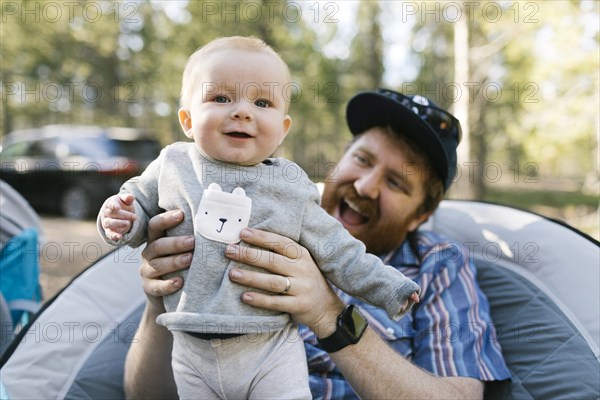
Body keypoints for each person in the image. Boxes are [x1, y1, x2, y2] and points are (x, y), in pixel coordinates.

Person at [124, 88, 511, 399]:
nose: (364, 186)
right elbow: (142, 395)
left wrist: (330, 316)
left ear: (419, 216)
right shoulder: (245, 217)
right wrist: (162, 298)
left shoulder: (438, 265)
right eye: (361, 159)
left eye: (396, 182)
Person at [98, 37, 420, 399]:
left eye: (262, 102)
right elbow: (136, 203)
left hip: (269, 348)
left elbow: (340, 250)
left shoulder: (291, 186)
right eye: (220, 98)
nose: (242, 111)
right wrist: (121, 219)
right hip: (191, 343)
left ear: (283, 129)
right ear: (187, 120)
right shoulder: (172, 164)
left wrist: (391, 289)